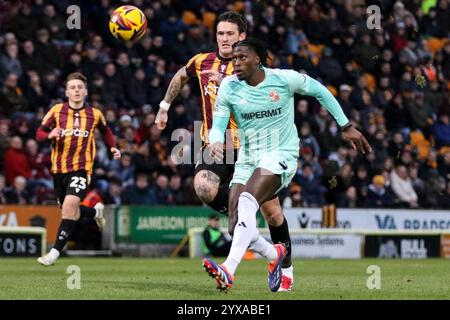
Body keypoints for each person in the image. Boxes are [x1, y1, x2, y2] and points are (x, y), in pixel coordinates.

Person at [203, 39, 372, 292]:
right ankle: (274, 254)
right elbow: (218, 125)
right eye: (234, 59)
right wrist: (215, 142)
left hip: (280, 153)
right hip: (248, 158)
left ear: (257, 59)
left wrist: (345, 125)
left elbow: (320, 91)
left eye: (242, 58)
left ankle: (228, 269)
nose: (236, 63)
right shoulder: (228, 87)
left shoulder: (284, 79)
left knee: (248, 200)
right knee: (235, 224)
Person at [155, 11, 295, 291]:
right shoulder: (201, 62)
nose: (224, 38)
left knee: (273, 214)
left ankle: (286, 270)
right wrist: (164, 106)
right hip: (216, 146)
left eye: (230, 33)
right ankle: (255, 243)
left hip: (253, 148)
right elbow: (181, 77)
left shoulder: (251, 69)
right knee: (203, 187)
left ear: (242, 37)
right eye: (220, 33)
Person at [35, 72, 121, 266]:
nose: (76, 90)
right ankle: (95, 213)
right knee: (70, 211)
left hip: (82, 169)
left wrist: (113, 147)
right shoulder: (57, 111)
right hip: (58, 170)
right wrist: (49, 135)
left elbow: (106, 131)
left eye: (80, 87)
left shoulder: (94, 114)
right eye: (73, 87)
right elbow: (39, 133)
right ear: (67, 92)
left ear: (85, 92)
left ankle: (54, 253)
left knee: (68, 208)